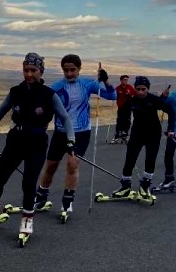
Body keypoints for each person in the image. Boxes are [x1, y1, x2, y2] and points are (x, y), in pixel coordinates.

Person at [0, 52, 74, 241]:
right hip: (15, 140)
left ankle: (27, 217)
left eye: (33, 70)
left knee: (28, 182)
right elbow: (1, 110)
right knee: (0, 174)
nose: (29, 74)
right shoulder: (15, 91)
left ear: (41, 72)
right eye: (26, 70)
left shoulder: (49, 95)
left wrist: (70, 139)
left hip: (36, 143)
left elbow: (65, 118)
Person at [34, 55, 118, 219]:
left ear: (79, 69)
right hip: (60, 132)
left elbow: (112, 96)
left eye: (72, 70)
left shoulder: (87, 84)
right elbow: (46, 107)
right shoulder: (57, 86)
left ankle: (68, 199)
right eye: (66, 70)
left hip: (81, 132)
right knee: (51, 165)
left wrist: (106, 81)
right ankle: (42, 196)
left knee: (73, 164)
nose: (69, 73)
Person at [115, 76, 173, 198]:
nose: (140, 92)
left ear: (148, 89)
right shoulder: (131, 100)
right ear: (135, 89)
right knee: (130, 158)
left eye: (143, 89)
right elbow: (122, 114)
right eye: (138, 89)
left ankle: (145, 187)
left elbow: (171, 111)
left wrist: (171, 129)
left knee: (150, 159)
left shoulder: (153, 99)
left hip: (153, 133)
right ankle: (125, 187)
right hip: (137, 133)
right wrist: (122, 130)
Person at [112, 74, 135, 143]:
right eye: (124, 80)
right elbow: (114, 96)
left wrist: (129, 95)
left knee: (127, 121)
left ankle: (125, 135)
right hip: (121, 107)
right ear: (121, 80)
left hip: (128, 107)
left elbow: (134, 96)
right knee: (120, 120)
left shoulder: (130, 87)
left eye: (127, 80)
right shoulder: (118, 88)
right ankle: (117, 135)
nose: (126, 81)